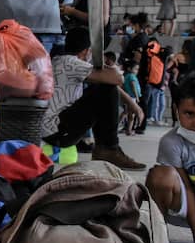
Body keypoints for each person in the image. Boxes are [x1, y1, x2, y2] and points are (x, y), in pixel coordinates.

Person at [41, 27, 145, 170]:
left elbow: (108, 83)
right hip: (57, 131)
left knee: (103, 88)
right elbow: (117, 79)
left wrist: (131, 104)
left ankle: (106, 148)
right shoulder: (72, 63)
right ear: (87, 51)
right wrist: (104, 63)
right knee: (106, 88)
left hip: (52, 128)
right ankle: (108, 148)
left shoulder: (60, 60)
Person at [146, 71, 195, 243]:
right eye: (189, 113)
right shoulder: (171, 142)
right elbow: (187, 187)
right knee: (160, 176)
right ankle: (157, 233)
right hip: (186, 205)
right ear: (176, 110)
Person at [122, 60, 142, 135]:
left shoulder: (126, 76)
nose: (137, 71)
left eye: (137, 69)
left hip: (128, 97)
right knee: (131, 115)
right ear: (129, 69)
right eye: (135, 69)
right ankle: (129, 130)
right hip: (132, 97)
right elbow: (133, 86)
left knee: (127, 113)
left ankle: (128, 129)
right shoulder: (132, 76)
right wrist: (137, 97)